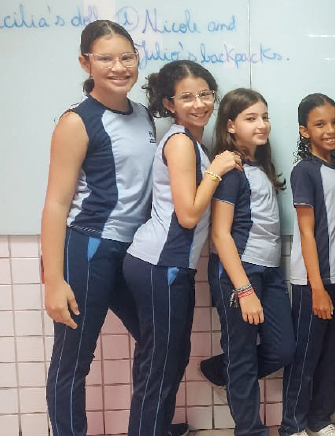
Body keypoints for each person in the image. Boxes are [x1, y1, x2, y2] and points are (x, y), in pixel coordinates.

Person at [41, 19, 194, 436]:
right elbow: (56, 204)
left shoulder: (143, 115)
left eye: (127, 57)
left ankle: (148, 426)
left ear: (137, 59)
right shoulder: (76, 121)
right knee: (73, 359)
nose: (119, 67)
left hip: (133, 252)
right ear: (85, 63)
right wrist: (53, 280)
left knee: (164, 345)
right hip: (89, 248)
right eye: (106, 58)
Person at [124, 60, 242, 436]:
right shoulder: (180, 143)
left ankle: (155, 427)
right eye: (187, 97)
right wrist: (217, 169)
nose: (199, 103)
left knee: (168, 359)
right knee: (160, 364)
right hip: (161, 264)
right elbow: (188, 215)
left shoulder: (194, 144)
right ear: (169, 103)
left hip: (170, 264)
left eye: (205, 94)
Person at [201, 88, 295, 436]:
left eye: (265, 117)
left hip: (269, 271)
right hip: (239, 272)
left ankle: (221, 370)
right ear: (230, 125)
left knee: (283, 349)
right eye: (251, 118)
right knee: (240, 355)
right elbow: (220, 234)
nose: (262, 124)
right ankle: (250, 430)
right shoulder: (231, 169)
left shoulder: (259, 165)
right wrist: (243, 289)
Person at [279, 93, 335, 436]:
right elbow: (306, 232)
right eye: (320, 124)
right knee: (305, 355)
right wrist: (317, 288)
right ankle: (291, 425)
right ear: (304, 131)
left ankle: (319, 420)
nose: (330, 130)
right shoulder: (305, 171)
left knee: (328, 354)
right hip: (312, 281)